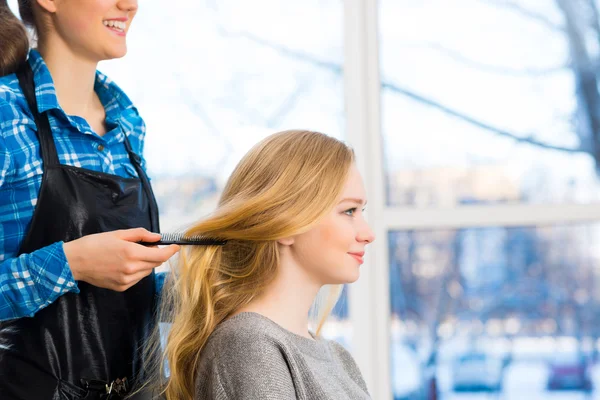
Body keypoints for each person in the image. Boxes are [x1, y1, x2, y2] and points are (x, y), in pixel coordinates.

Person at [0, 0, 179, 398]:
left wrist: (198, 286)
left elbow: (116, 300)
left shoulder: (127, 123)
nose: (130, 5)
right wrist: (72, 263)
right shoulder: (6, 116)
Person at [151, 130, 375, 399]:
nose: (368, 233)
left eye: (362, 212)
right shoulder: (248, 344)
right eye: (349, 211)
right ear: (284, 223)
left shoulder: (339, 359)